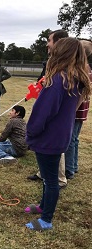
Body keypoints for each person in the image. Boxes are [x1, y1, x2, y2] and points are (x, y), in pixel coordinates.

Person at [25, 37, 91, 231]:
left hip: (48, 137)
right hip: (59, 136)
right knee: (47, 176)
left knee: (51, 180)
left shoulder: (58, 80)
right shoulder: (74, 80)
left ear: (60, 53)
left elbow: (44, 112)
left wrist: (32, 131)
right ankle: (43, 206)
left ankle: (46, 219)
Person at [27, 29, 69, 189]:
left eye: (49, 40)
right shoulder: (53, 61)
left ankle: (59, 179)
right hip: (47, 104)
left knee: (54, 143)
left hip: (55, 111)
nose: (47, 44)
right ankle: (43, 173)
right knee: (46, 140)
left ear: (58, 42)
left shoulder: (64, 65)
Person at [65, 40, 92, 179]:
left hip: (76, 109)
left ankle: (69, 169)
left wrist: (72, 109)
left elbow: (81, 94)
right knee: (74, 139)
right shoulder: (86, 67)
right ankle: (73, 166)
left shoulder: (82, 68)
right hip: (81, 110)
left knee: (70, 139)